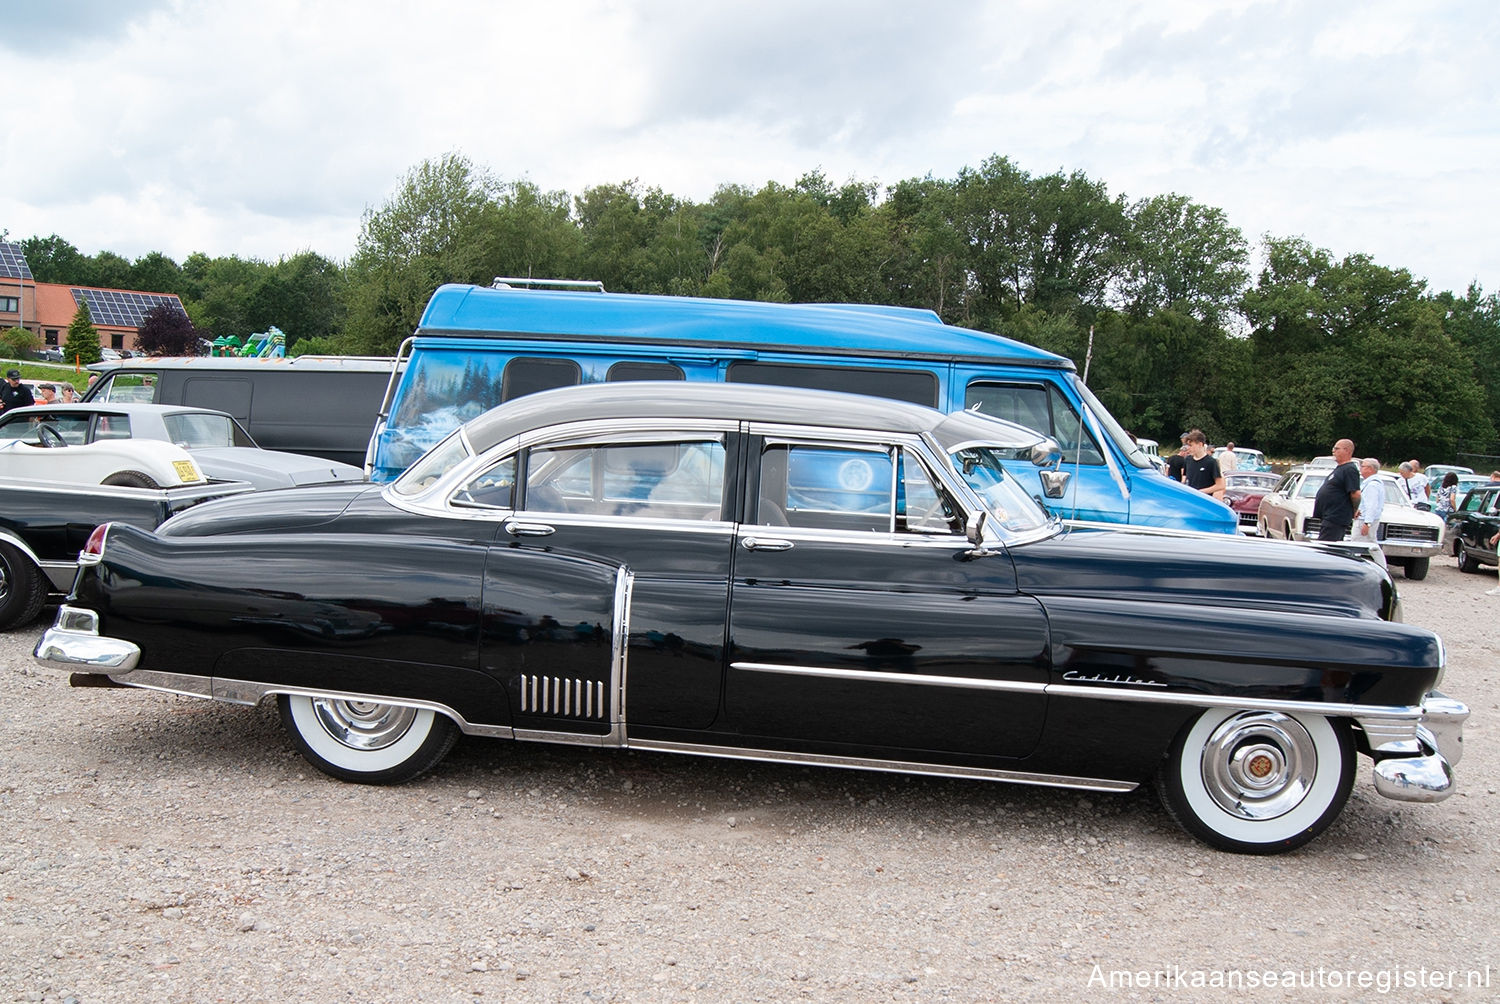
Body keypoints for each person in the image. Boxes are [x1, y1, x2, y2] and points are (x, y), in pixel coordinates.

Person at [1312, 439, 1361, 541]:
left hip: (1336, 517)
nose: (1333, 451)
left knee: (1326, 548)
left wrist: (1355, 509)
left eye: (1336, 448)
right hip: (1328, 516)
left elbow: (1355, 493)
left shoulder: (1349, 469)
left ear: (1347, 451)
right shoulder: (1340, 468)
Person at [1181, 429, 1225, 496]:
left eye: (1191, 445)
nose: (1188, 448)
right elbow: (1185, 478)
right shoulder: (1188, 460)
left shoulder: (1211, 462)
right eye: (1187, 445)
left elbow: (1220, 485)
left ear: (1200, 444)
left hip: (1204, 500)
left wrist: (1200, 492)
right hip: (1190, 499)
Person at [1353, 458, 1384, 541]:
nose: (1360, 468)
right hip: (1367, 518)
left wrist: (1367, 523)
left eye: (1362, 466)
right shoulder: (1371, 483)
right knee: (1372, 545)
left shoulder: (1372, 485)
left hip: (1364, 519)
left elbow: (1371, 505)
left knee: (1356, 543)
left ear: (1370, 469)